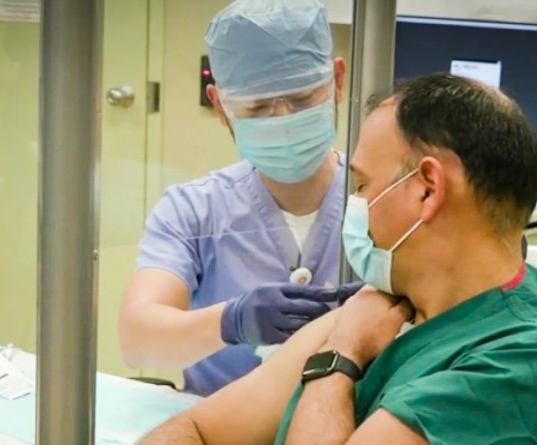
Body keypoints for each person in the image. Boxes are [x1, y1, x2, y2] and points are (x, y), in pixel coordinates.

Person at [77, 73, 537, 445]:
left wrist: (340, 357)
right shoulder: (389, 307)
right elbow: (202, 434)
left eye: (361, 187)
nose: (355, 207)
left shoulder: (536, 362)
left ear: (427, 189)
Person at [118, 0, 359, 398]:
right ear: (220, 106)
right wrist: (231, 322)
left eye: (301, 100)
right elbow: (137, 339)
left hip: (347, 437)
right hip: (215, 435)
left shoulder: (381, 200)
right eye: (259, 106)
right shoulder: (193, 210)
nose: (282, 119)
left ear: (337, 80)